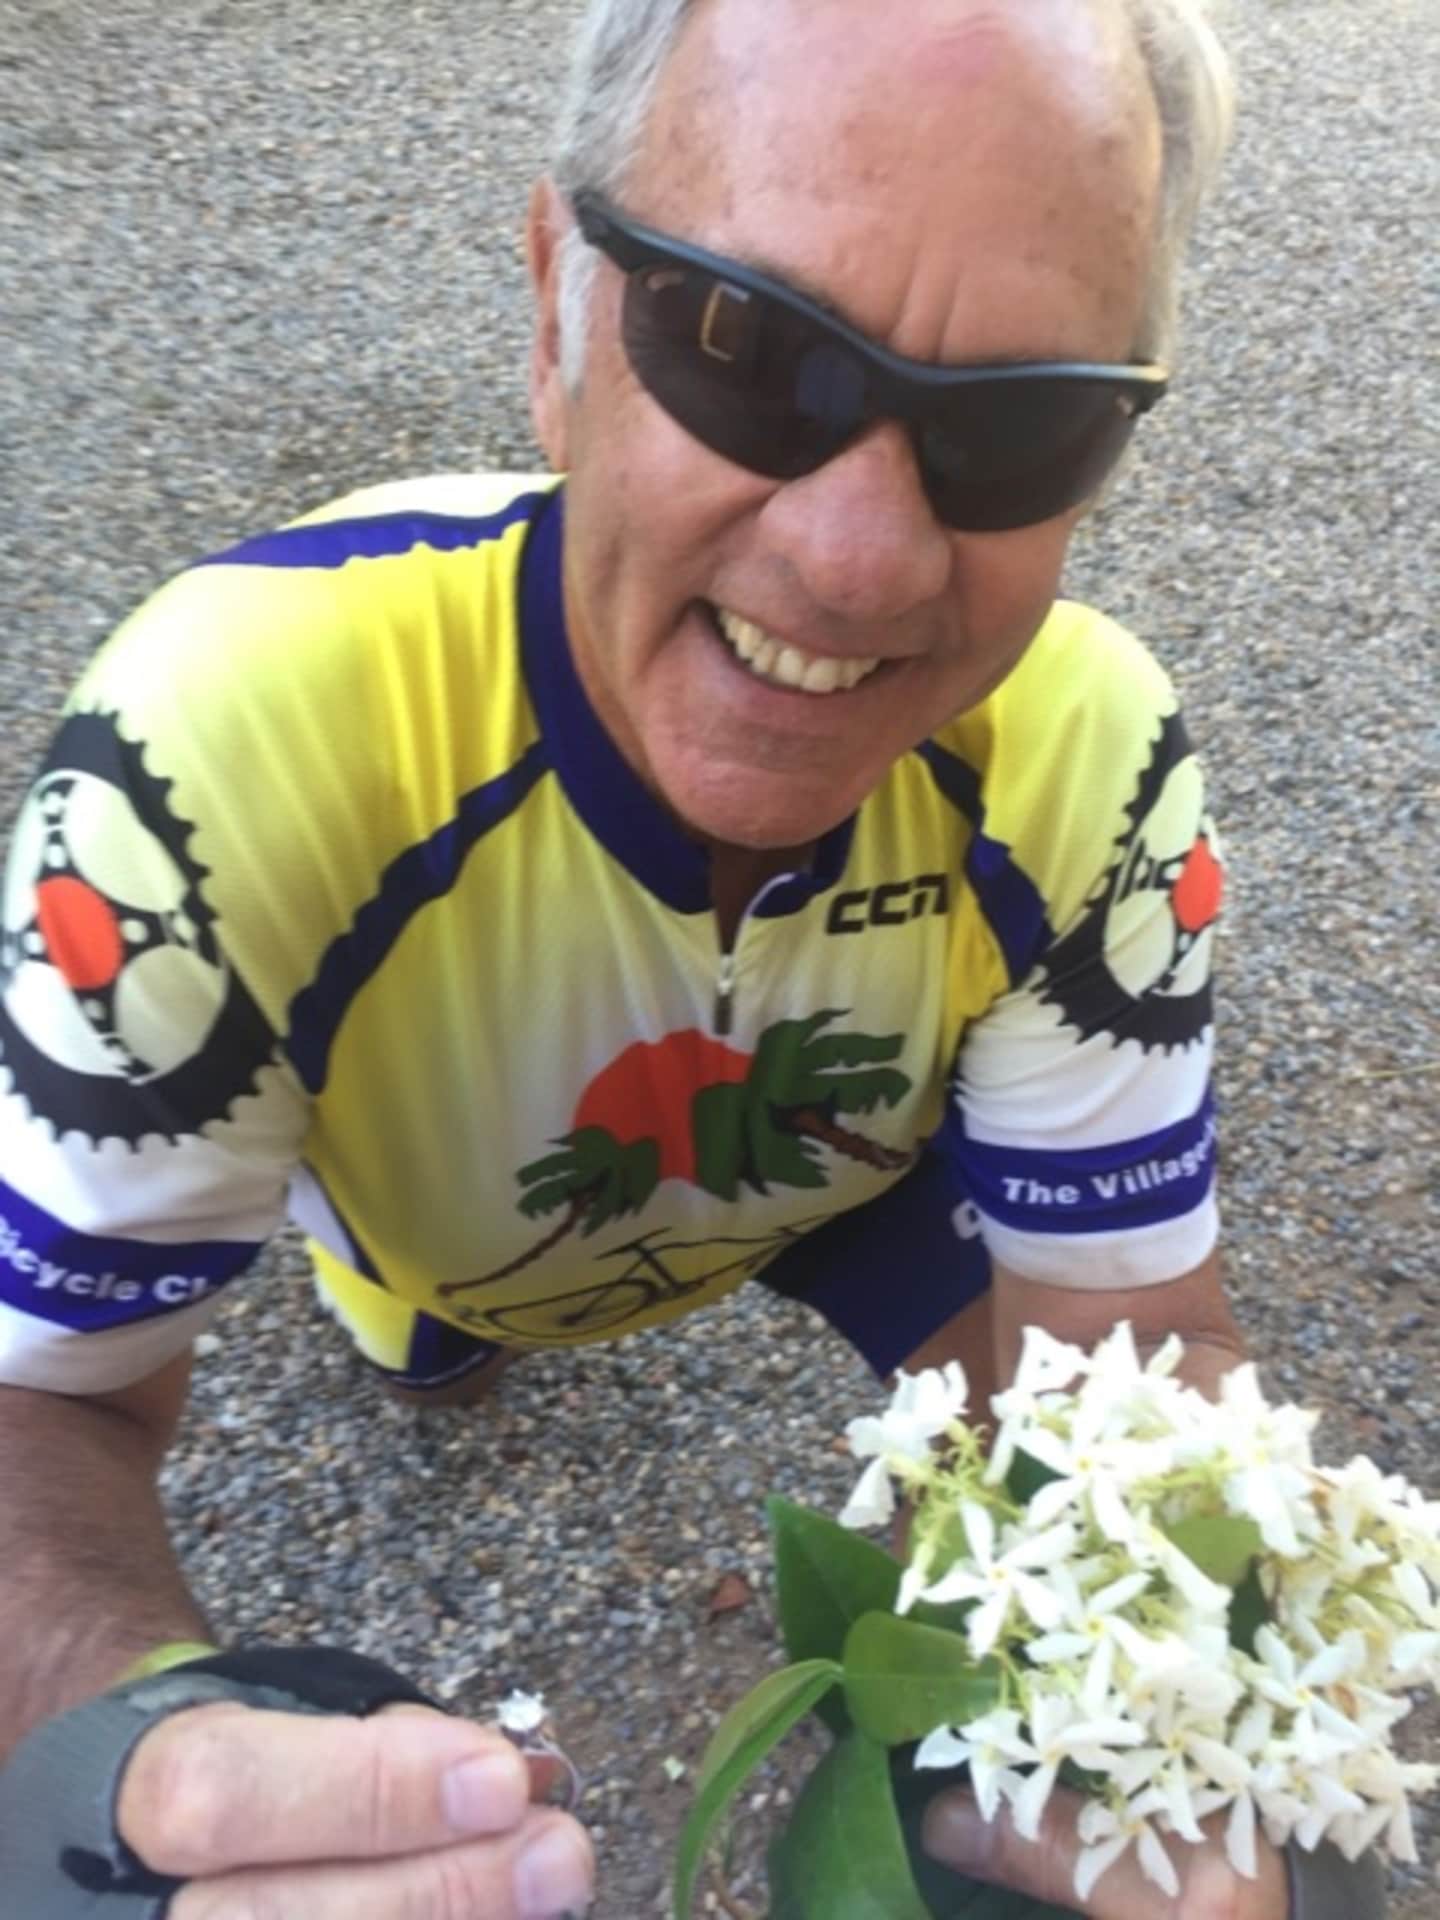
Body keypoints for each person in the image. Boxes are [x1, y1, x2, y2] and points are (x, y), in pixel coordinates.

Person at [0, 0, 1384, 1914]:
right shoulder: (205, 762)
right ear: (559, 308)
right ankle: (434, 1333)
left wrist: (1112, 1714)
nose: (861, 561)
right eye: (750, 348)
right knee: (434, 1343)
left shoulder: (1094, 761)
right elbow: (46, 1397)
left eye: (1024, 423)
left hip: (845, 1170)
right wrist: (112, 1739)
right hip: (462, 1210)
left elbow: (1116, 1347)